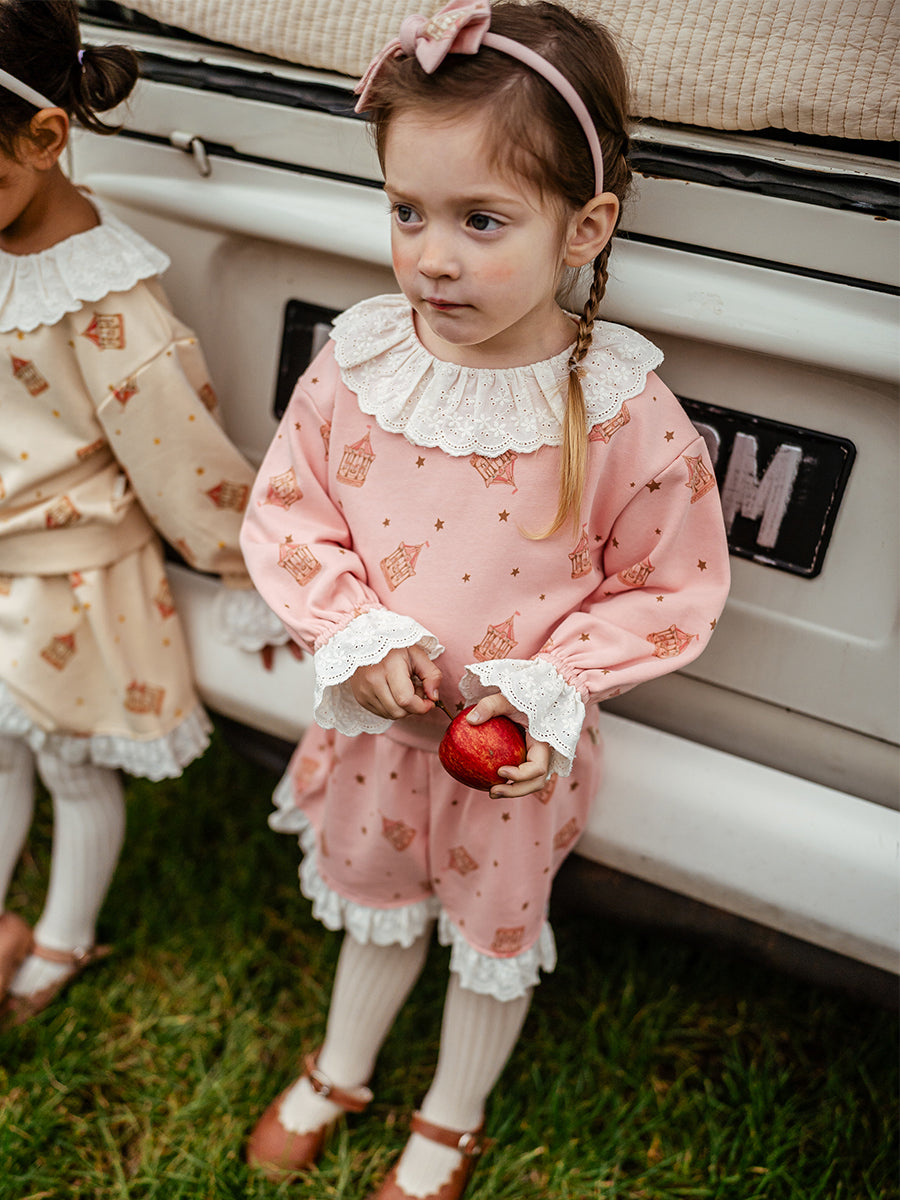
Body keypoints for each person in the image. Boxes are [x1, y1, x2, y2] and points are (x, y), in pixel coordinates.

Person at [240, 2, 730, 1196]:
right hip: (380, 732)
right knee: (376, 899)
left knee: (489, 933)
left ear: (584, 227)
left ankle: (450, 1115)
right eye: (407, 211)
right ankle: (343, 1066)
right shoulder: (363, 361)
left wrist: (552, 685)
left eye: (482, 220)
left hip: (511, 763)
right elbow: (292, 511)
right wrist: (351, 629)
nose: (433, 257)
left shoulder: (621, 413)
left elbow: (668, 580)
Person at [0, 0, 284, 1025]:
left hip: (73, 576)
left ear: (44, 137)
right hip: (6, 560)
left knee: (71, 762)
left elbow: (178, 451)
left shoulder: (105, 299)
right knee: (1, 750)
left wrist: (243, 564)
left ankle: (64, 936)